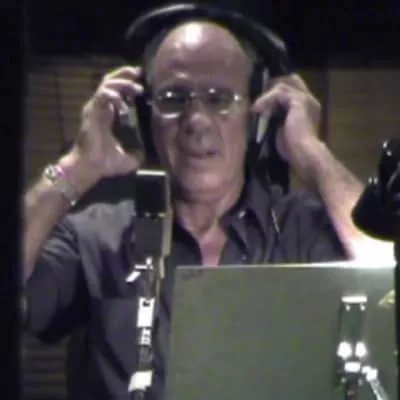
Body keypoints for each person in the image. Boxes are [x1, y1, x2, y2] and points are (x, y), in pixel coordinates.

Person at [22, 10, 393, 400]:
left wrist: (311, 152)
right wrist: (77, 166)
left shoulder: (302, 227)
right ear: (143, 116)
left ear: (257, 117)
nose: (196, 120)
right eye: (173, 98)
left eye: (220, 99)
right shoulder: (95, 237)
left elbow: (390, 278)